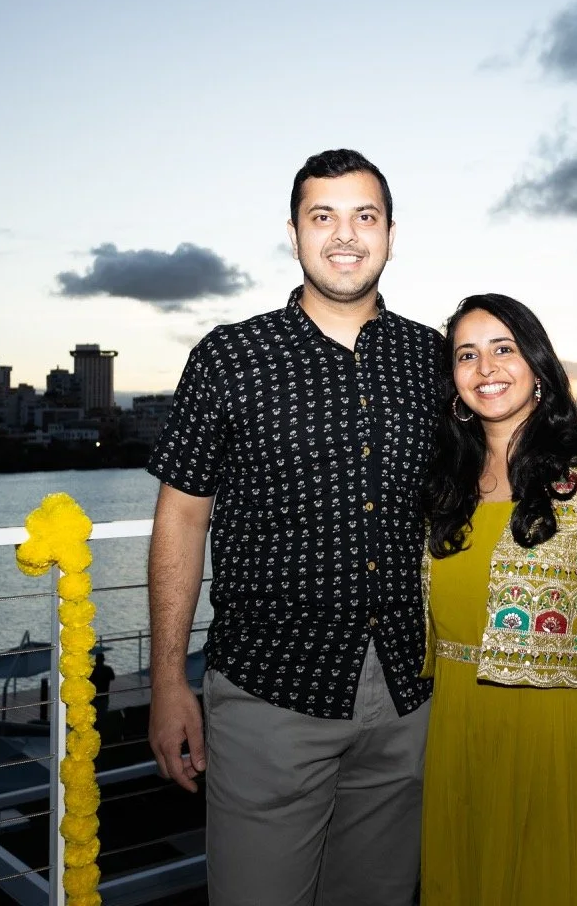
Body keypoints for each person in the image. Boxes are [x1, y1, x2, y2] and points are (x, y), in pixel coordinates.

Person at [145, 149, 440, 905]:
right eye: (324, 216)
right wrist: (168, 682)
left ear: (392, 233)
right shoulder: (230, 357)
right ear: (294, 232)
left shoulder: (431, 359)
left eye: (364, 216)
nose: (345, 235)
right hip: (271, 693)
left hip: (408, 693)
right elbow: (182, 517)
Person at [419, 293, 577, 905]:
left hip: (563, 735)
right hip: (459, 729)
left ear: (538, 366)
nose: (486, 369)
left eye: (503, 349)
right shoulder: (441, 484)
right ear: (452, 382)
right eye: (467, 355)